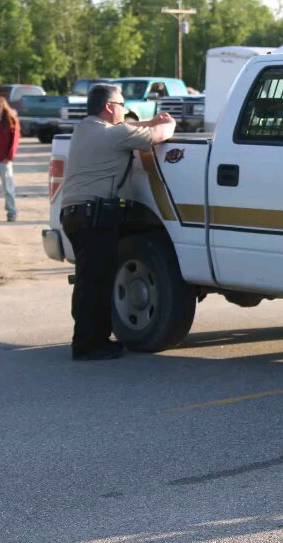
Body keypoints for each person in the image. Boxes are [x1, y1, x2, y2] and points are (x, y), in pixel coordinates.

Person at [59, 84, 177, 361]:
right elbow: (159, 136)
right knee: (97, 283)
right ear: (110, 107)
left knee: (88, 281)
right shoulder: (116, 135)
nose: (125, 109)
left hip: (76, 215)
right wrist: (167, 122)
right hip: (95, 217)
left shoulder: (85, 129)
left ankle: (87, 339)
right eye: (122, 104)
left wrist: (148, 120)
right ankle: (90, 345)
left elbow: (124, 128)